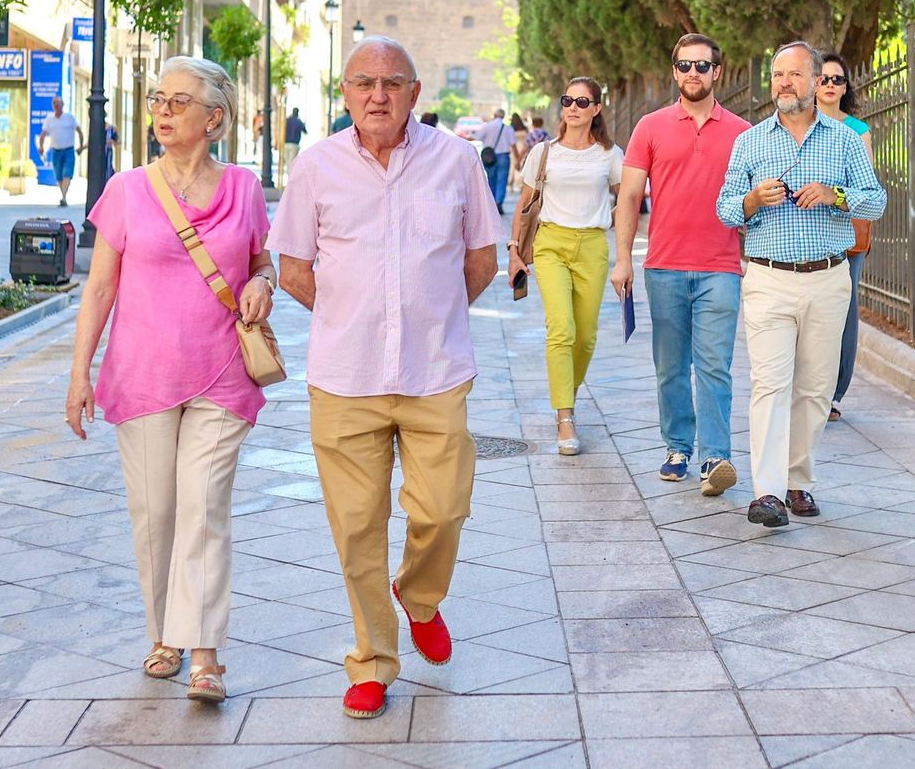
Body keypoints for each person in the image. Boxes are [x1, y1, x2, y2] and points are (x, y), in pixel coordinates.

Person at [269, 36, 502, 720]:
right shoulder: (315, 167)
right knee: (356, 528)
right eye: (364, 83)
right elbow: (293, 269)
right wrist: (353, 313)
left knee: (442, 508)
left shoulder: (456, 161)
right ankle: (373, 659)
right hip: (345, 376)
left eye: (392, 83)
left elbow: (481, 260)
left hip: (436, 371)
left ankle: (420, 595)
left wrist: (427, 312)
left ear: (415, 94)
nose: (378, 96)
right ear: (344, 93)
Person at [65, 56, 275, 704]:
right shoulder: (127, 189)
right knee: (155, 512)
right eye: (158, 99)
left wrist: (264, 283)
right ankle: (165, 633)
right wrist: (80, 374)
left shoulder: (244, 186)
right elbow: (99, 288)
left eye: (179, 102)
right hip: (142, 373)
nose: (162, 110)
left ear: (215, 119)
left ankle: (205, 649)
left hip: (224, 371)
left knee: (203, 507)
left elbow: (261, 261)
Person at [716, 41, 886, 528]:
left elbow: (875, 202)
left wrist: (836, 196)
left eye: (794, 75)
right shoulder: (750, 142)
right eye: (777, 75)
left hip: (828, 278)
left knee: (813, 388)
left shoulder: (845, 140)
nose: (784, 83)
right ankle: (766, 493)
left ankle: (797, 482)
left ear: (816, 82)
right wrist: (750, 200)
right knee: (770, 384)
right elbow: (725, 209)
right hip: (768, 278)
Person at [612, 33, 752, 496]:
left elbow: (755, 202)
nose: (694, 73)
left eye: (702, 66)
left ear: (718, 73)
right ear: (675, 72)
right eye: (685, 66)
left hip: (721, 267)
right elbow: (630, 196)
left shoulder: (742, 133)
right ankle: (677, 446)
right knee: (670, 365)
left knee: (715, 365)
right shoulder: (649, 127)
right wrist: (622, 261)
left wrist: (751, 255)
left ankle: (716, 457)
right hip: (665, 266)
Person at [506, 78, 623, 455]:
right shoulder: (544, 153)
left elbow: (632, 197)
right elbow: (524, 208)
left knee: (586, 336)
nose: (572, 107)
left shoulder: (609, 155)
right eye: (567, 100)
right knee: (562, 329)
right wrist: (513, 252)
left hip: (592, 245)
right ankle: (565, 417)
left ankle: (564, 393)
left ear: (596, 109)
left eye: (582, 101)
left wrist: (615, 227)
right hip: (551, 245)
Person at [816, 52, 874, 422]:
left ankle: (834, 392)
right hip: (804, 231)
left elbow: (865, 190)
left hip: (846, 234)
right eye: (823, 78)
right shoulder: (799, 124)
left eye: (838, 79)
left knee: (845, 310)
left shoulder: (858, 131)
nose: (830, 85)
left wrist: (831, 193)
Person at [38, 95, 85, 207]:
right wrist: (41, 147)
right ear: (53, 106)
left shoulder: (70, 118)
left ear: (62, 105)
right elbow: (43, 135)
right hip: (56, 151)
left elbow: (80, 132)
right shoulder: (49, 119)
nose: (56, 106)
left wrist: (81, 146)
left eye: (58, 104)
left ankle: (64, 197)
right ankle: (63, 194)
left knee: (67, 173)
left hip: (68, 150)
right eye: (54, 104)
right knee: (59, 175)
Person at [476, 108, 517, 213]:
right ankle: (499, 203)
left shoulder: (487, 126)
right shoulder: (508, 128)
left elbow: (477, 137)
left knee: (491, 180)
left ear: (494, 115)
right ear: (503, 116)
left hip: (489, 157)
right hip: (503, 156)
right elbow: (513, 145)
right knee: (502, 181)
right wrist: (517, 158)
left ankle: (492, 204)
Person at [508, 112, 530, 192]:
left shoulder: (511, 128)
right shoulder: (524, 128)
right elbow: (528, 139)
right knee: (521, 166)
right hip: (523, 148)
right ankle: (520, 184)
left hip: (513, 148)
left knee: (512, 166)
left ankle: (510, 184)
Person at [282, 107, 307, 176]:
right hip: (294, 144)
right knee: (292, 162)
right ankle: (290, 177)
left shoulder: (287, 120)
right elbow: (305, 131)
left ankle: (289, 176)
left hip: (286, 143)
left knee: (287, 162)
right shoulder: (299, 121)